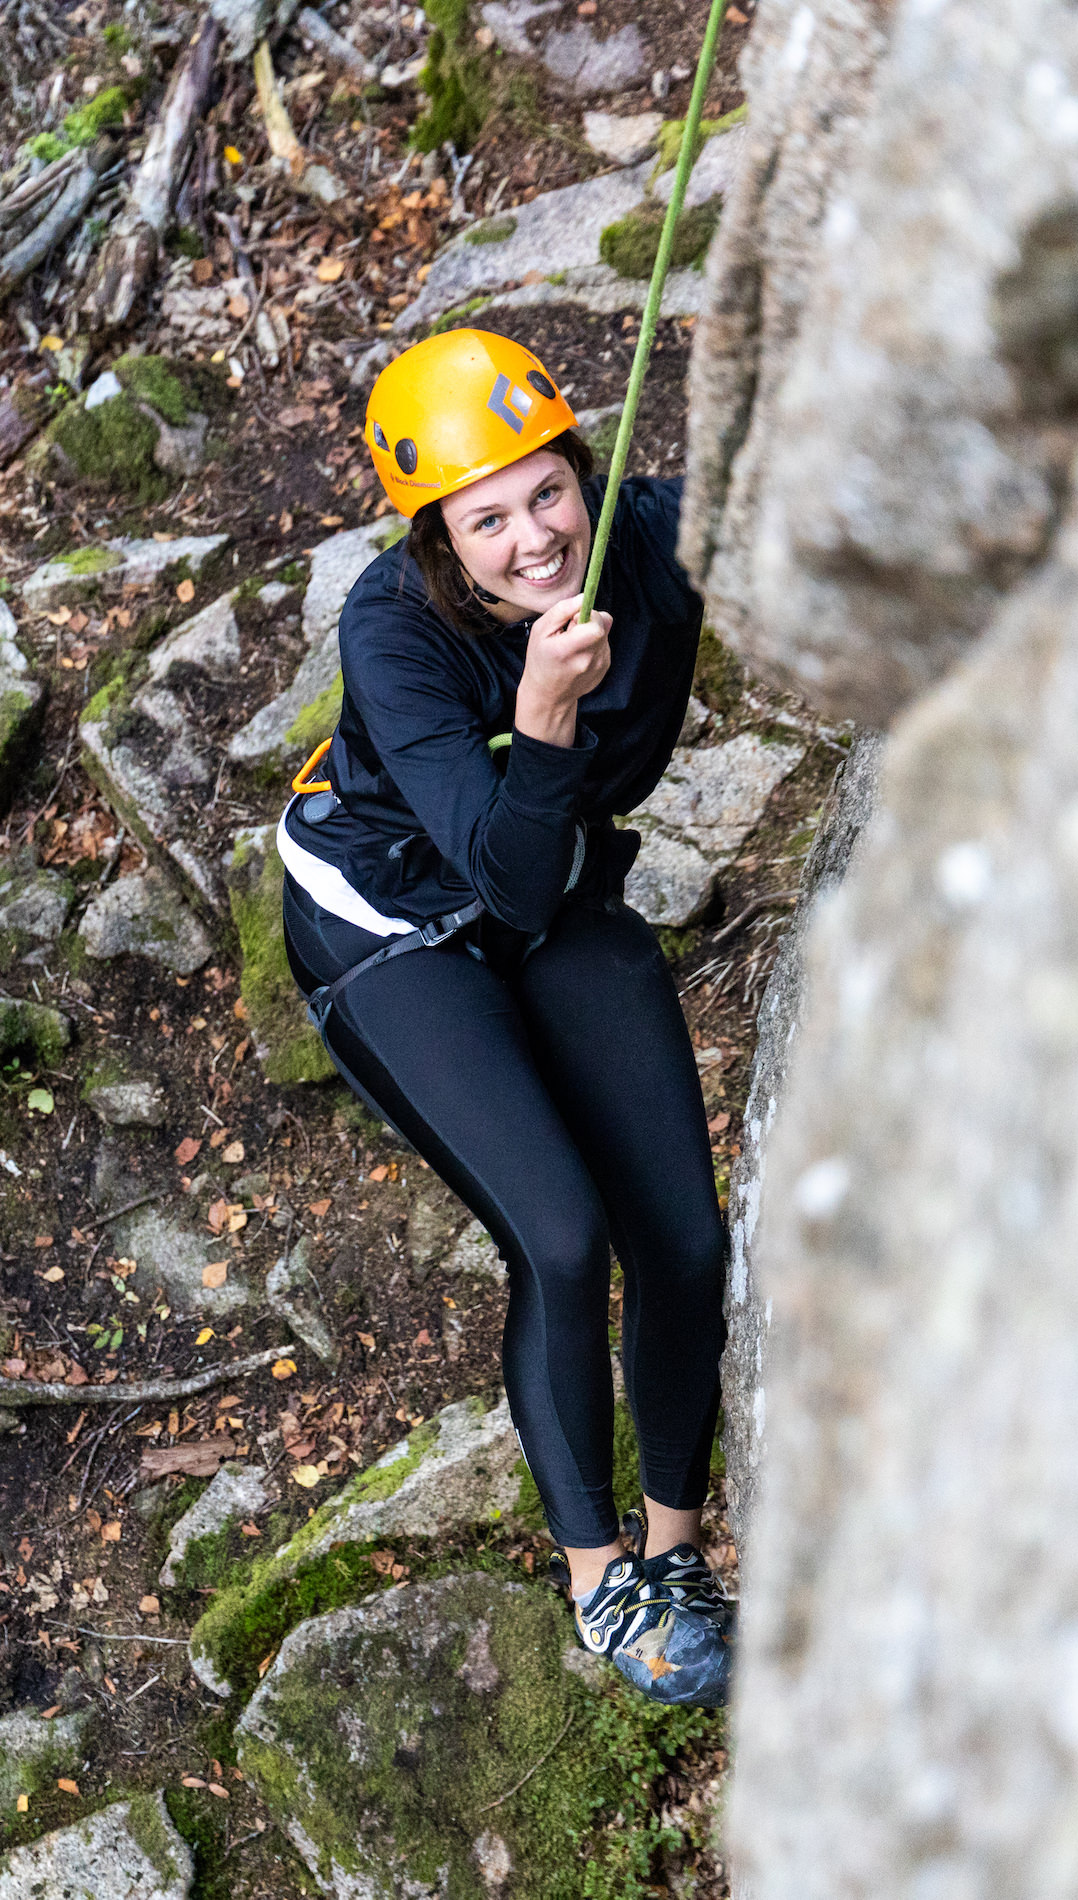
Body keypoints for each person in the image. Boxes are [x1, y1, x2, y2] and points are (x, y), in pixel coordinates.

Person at [276, 328, 733, 1707]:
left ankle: (676, 1552)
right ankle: (599, 1580)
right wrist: (541, 719)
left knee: (686, 1237)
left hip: (555, 880)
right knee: (559, 1227)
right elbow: (500, 868)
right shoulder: (394, 631)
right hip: (400, 915)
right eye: (489, 518)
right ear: (439, 537)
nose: (534, 538)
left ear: (582, 473)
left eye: (548, 493)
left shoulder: (647, 541)